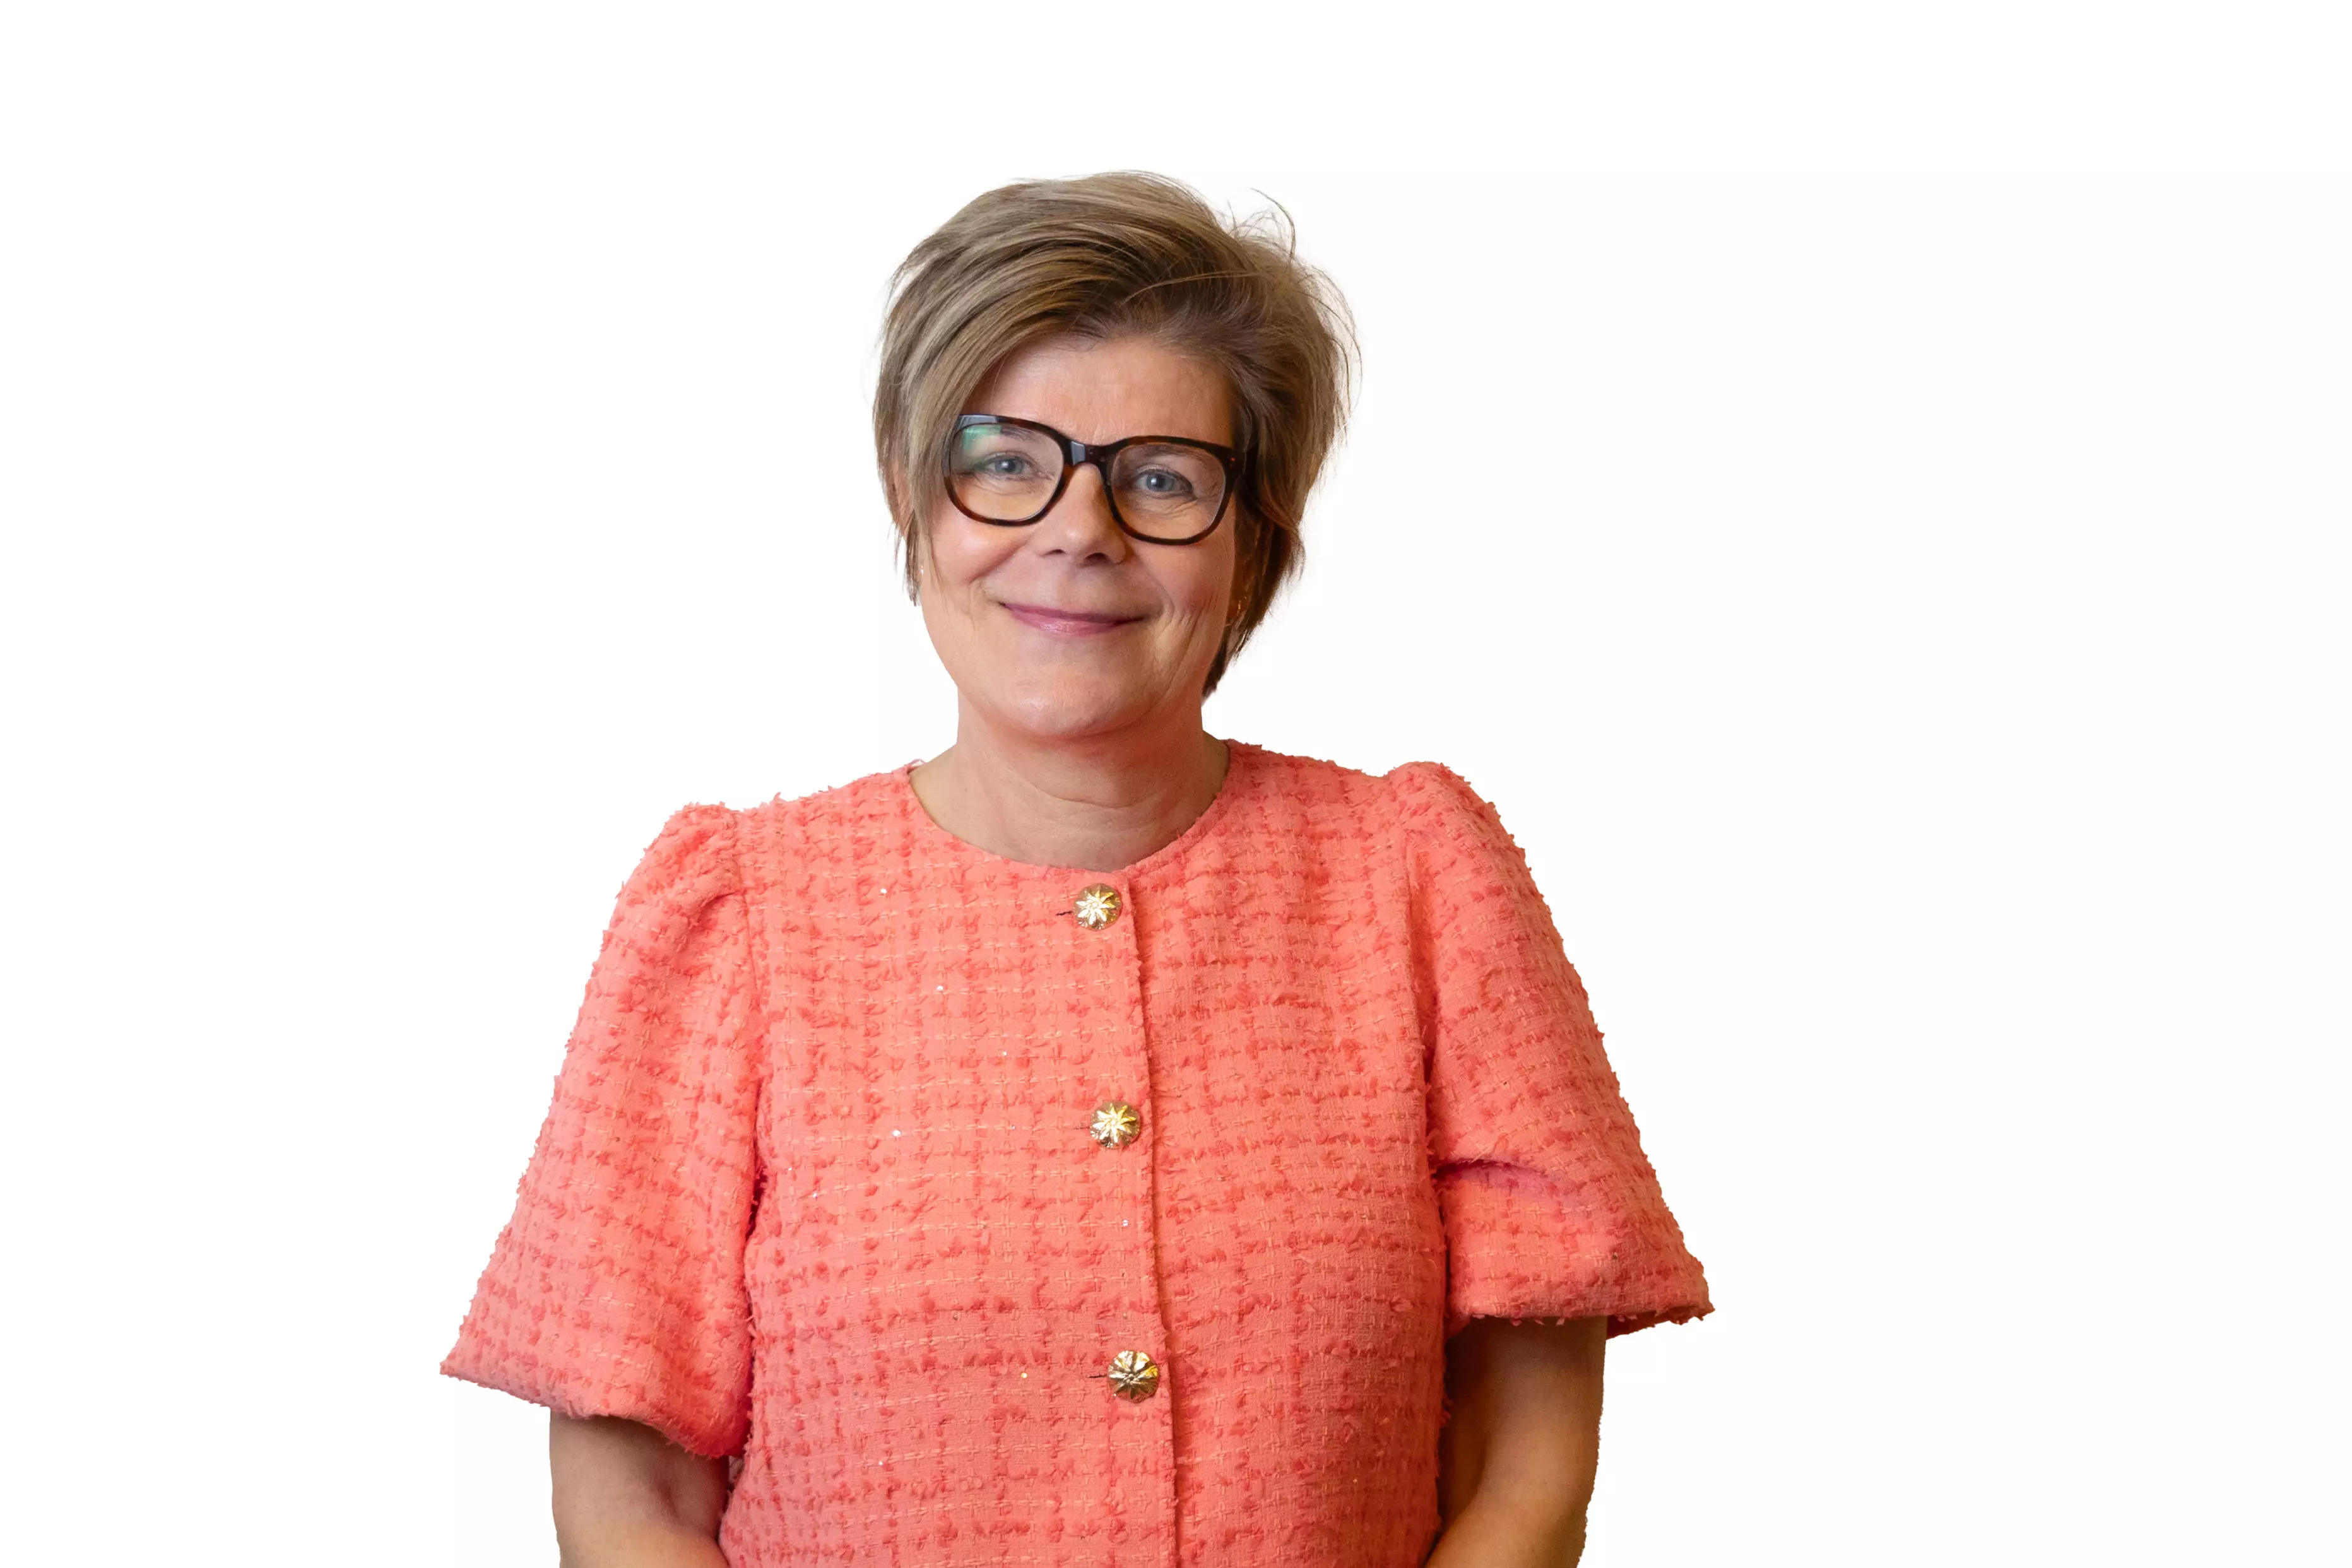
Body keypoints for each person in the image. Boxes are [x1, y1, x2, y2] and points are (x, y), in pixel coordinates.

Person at [444, 171, 1710, 1568]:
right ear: (912, 500)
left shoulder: (1414, 882)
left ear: (1254, 542)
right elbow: (630, 1504)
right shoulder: (735, 915)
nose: (1077, 529)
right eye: (1004, 462)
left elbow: (1524, 1464)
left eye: (1162, 479)